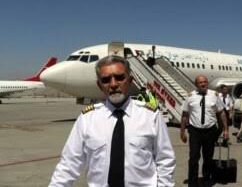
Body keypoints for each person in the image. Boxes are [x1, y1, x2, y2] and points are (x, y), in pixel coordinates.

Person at [49, 55, 176, 187]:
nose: (114, 84)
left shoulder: (150, 116)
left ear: (130, 80)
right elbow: (69, 164)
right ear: (99, 85)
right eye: (106, 80)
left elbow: (165, 160)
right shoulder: (87, 119)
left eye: (120, 78)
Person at [180, 75, 229, 187]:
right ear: (196, 84)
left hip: (210, 131)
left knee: (208, 158)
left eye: (205, 82)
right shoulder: (190, 96)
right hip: (195, 131)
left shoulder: (214, 96)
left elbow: (221, 113)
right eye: (200, 82)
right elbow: (185, 115)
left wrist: (226, 129)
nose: (203, 84)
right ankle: (192, 183)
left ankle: (206, 180)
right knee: (193, 157)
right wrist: (182, 132)